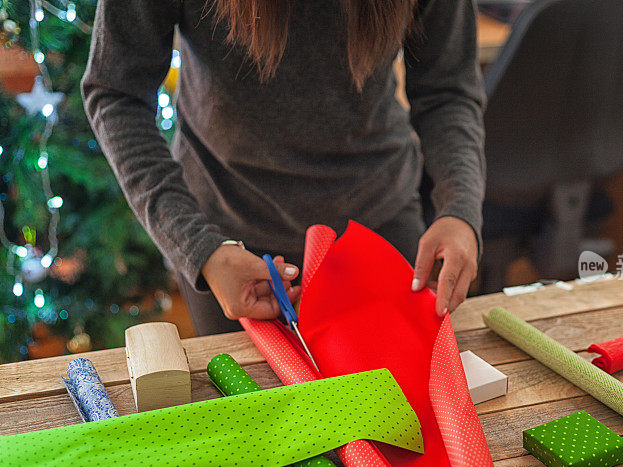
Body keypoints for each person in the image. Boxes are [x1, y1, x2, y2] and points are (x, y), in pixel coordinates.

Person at [82, 0, 486, 336]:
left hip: (380, 228)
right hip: (227, 244)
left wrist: (460, 210)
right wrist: (200, 248)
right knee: (256, 431)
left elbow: (447, 91)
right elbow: (116, 94)